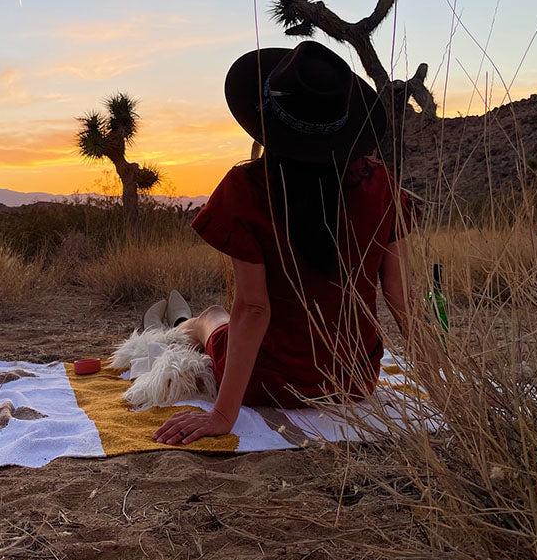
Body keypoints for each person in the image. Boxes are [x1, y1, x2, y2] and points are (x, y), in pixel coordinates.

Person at [153, 41, 441, 446]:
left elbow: (254, 309)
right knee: (220, 317)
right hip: (354, 379)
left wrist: (223, 414)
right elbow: (402, 298)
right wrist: (444, 392)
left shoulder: (247, 188)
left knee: (216, 316)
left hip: (266, 381)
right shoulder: (381, 186)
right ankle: (186, 323)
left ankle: (185, 325)